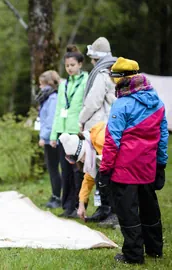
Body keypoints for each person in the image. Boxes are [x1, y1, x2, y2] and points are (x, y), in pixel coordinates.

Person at [99, 57, 168, 264]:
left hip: (125, 171)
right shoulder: (157, 101)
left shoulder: (121, 104)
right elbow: (163, 135)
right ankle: (155, 249)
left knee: (128, 213)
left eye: (114, 78)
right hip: (148, 167)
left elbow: (112, 141)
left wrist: (105, 170)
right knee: (149, 209)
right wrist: (161, 164)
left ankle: (133, 255)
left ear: (122, 79)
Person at [78, 37, 117, 222]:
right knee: (105, 169)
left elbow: (93, 101)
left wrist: (81, 119)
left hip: (101, 127)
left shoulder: (102, 74)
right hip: (113, 126)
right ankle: (105, 208)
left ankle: (110, 211)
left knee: (103, 169)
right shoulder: (117, 71)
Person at [50, 45, 88, 218]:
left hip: (77, 133)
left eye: (73, 65)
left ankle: (79, 205)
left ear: (80, 64)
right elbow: (58, 110)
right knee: (65, 171)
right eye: (67, 66)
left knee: (77, 171)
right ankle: (67, 206)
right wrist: (54, 135)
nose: (70, 68)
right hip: (62, 134)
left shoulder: (86, 81)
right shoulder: (63, 84)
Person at [58, 122, 118, 228]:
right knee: (100, 175)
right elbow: (88, 177)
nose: (82, 161)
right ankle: (105, 210)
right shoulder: (90, 145)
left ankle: (116, 215)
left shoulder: (100, 140)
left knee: (104, 177)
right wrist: (81, 203)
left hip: (131, 165)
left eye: (81, 158)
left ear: (82, 149)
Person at [36, 70, 62, 209]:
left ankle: (57, 197)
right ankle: (55, 194)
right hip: (48, 138)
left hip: (51, 139)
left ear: (48, 84)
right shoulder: (47, 98)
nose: (40, 87)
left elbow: (50, 120)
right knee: (52, 169)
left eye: (41, 84)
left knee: (53, 169)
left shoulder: (52, 99)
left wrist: (43, 136)